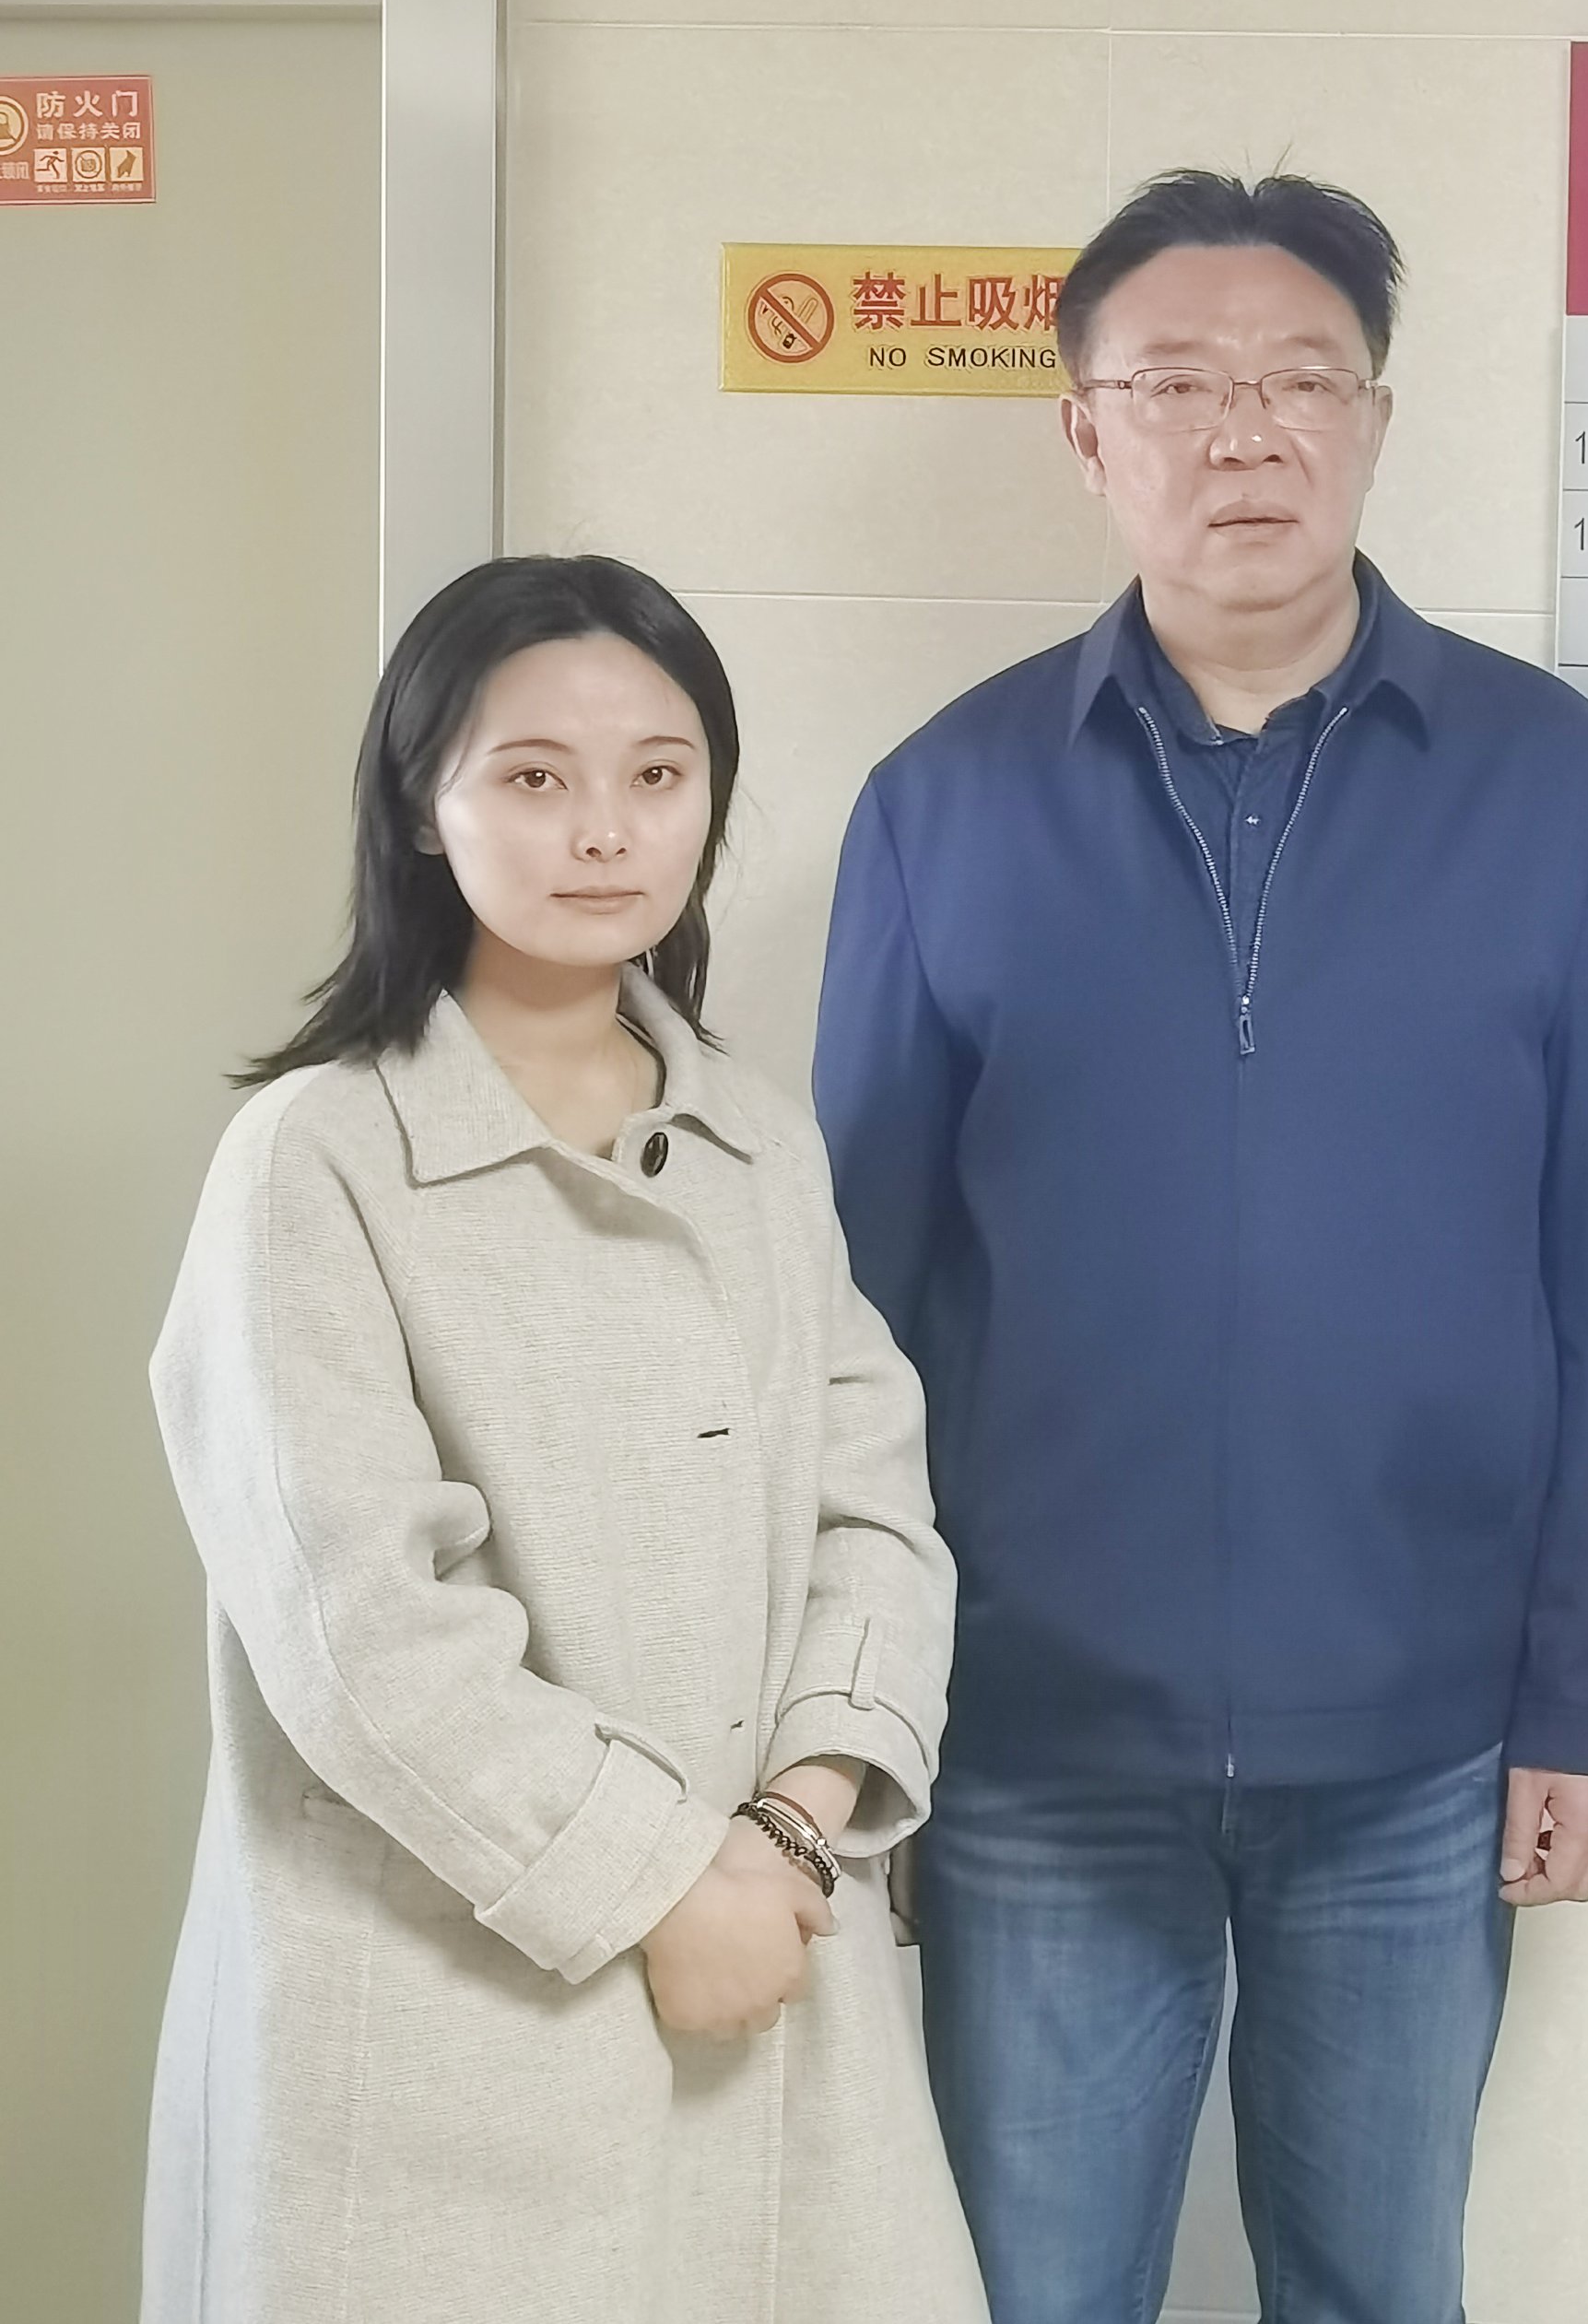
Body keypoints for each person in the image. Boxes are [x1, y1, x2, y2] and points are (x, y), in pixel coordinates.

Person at [815, 169, 1588, 2324]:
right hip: (1031, 1741)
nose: (1245, 434)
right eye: (1178, 386)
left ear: (1375, 421)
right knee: (1031, 2294)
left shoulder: (1555, 787)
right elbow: (853, 1313)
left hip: (1421, 1737)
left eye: (1302, 380)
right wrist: (863, 1711)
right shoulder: (943, 801)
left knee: (1380, 2286)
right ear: (1084, 433)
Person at [141, 554, 981, 2324]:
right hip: (441, 2021)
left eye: (659, 774)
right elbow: (359, 1630)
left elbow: (877, 1515)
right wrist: (662, 1883)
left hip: (771, 1966)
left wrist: (791, 1832)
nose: (605, 829)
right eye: (533, 776)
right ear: (420, 806)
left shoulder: (761, 1145)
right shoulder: (316, 1160)